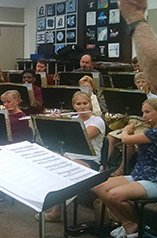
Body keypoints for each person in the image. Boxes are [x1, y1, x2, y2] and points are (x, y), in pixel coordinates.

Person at [92, 98, 157, 238]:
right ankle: (128, 224)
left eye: (147, 112)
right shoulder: (150, 131)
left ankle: (137, 225)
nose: (144, 116)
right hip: (141, 175)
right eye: (143, 113)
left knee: (114, 195)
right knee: (98, 186)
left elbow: (125, 139)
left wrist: (127, 130)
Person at [41, 92, 106, 221]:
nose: (82, 107)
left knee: (62, 166)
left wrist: (61, 124)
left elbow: (81, 137)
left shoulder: (97, 121)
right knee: (47, 158)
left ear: (90, 104)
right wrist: (54, 122)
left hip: (89, 161)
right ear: (74, 106)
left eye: (85, 103)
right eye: (78, 104)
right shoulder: (72, 119)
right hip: (69, 157)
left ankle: (56, 211)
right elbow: (56, 139)